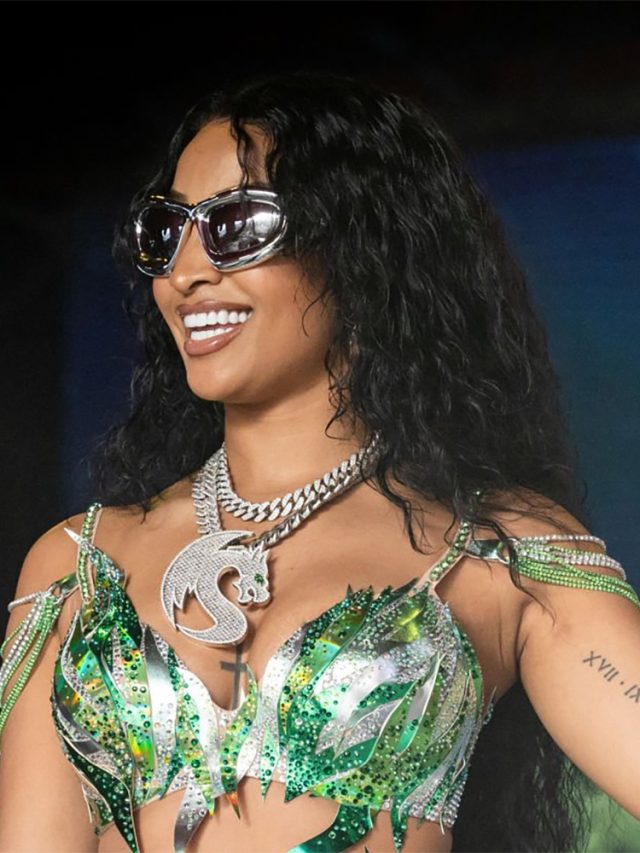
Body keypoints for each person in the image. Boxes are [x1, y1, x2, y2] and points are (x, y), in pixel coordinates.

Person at [0, 70, 638, 853]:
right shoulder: (77, 566)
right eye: (167, 231)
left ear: (362, 245)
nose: (186, 272)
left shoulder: (497, 554)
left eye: (238, 224)